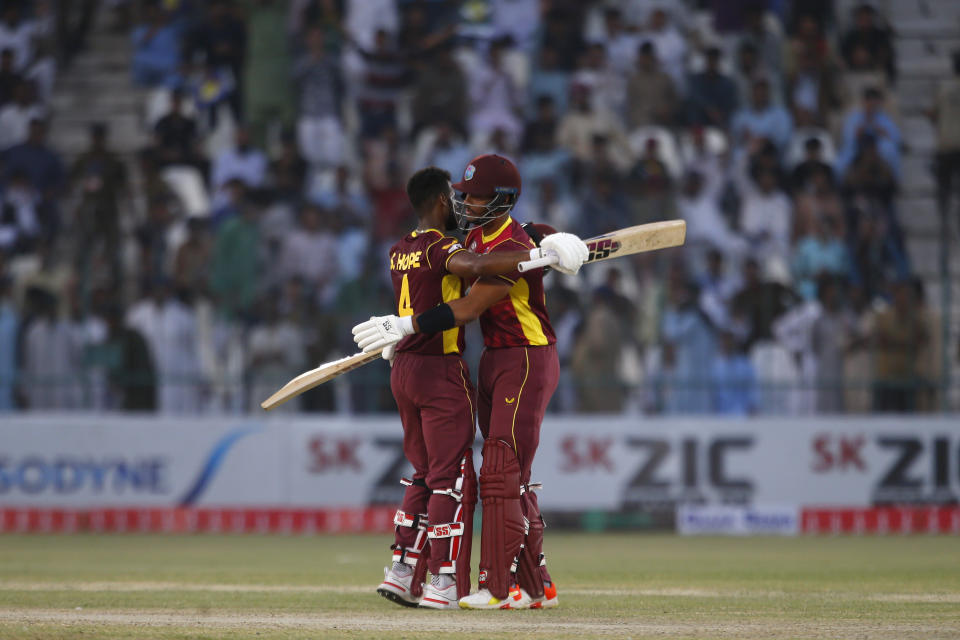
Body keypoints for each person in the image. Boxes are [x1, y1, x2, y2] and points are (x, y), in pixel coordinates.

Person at [353, 155, 588, 610]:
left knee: (500, 468)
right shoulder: (477, 237)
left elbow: (467, 309)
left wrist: (407, 327)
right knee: (509, 476)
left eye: (477, 197)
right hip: (495, 360)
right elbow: (516, 239)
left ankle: (500, 588)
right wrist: (548, 236)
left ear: (501, 200)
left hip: (526, 355)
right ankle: (536, 586)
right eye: (463, 195)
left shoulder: (506, 244)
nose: (467, 203)